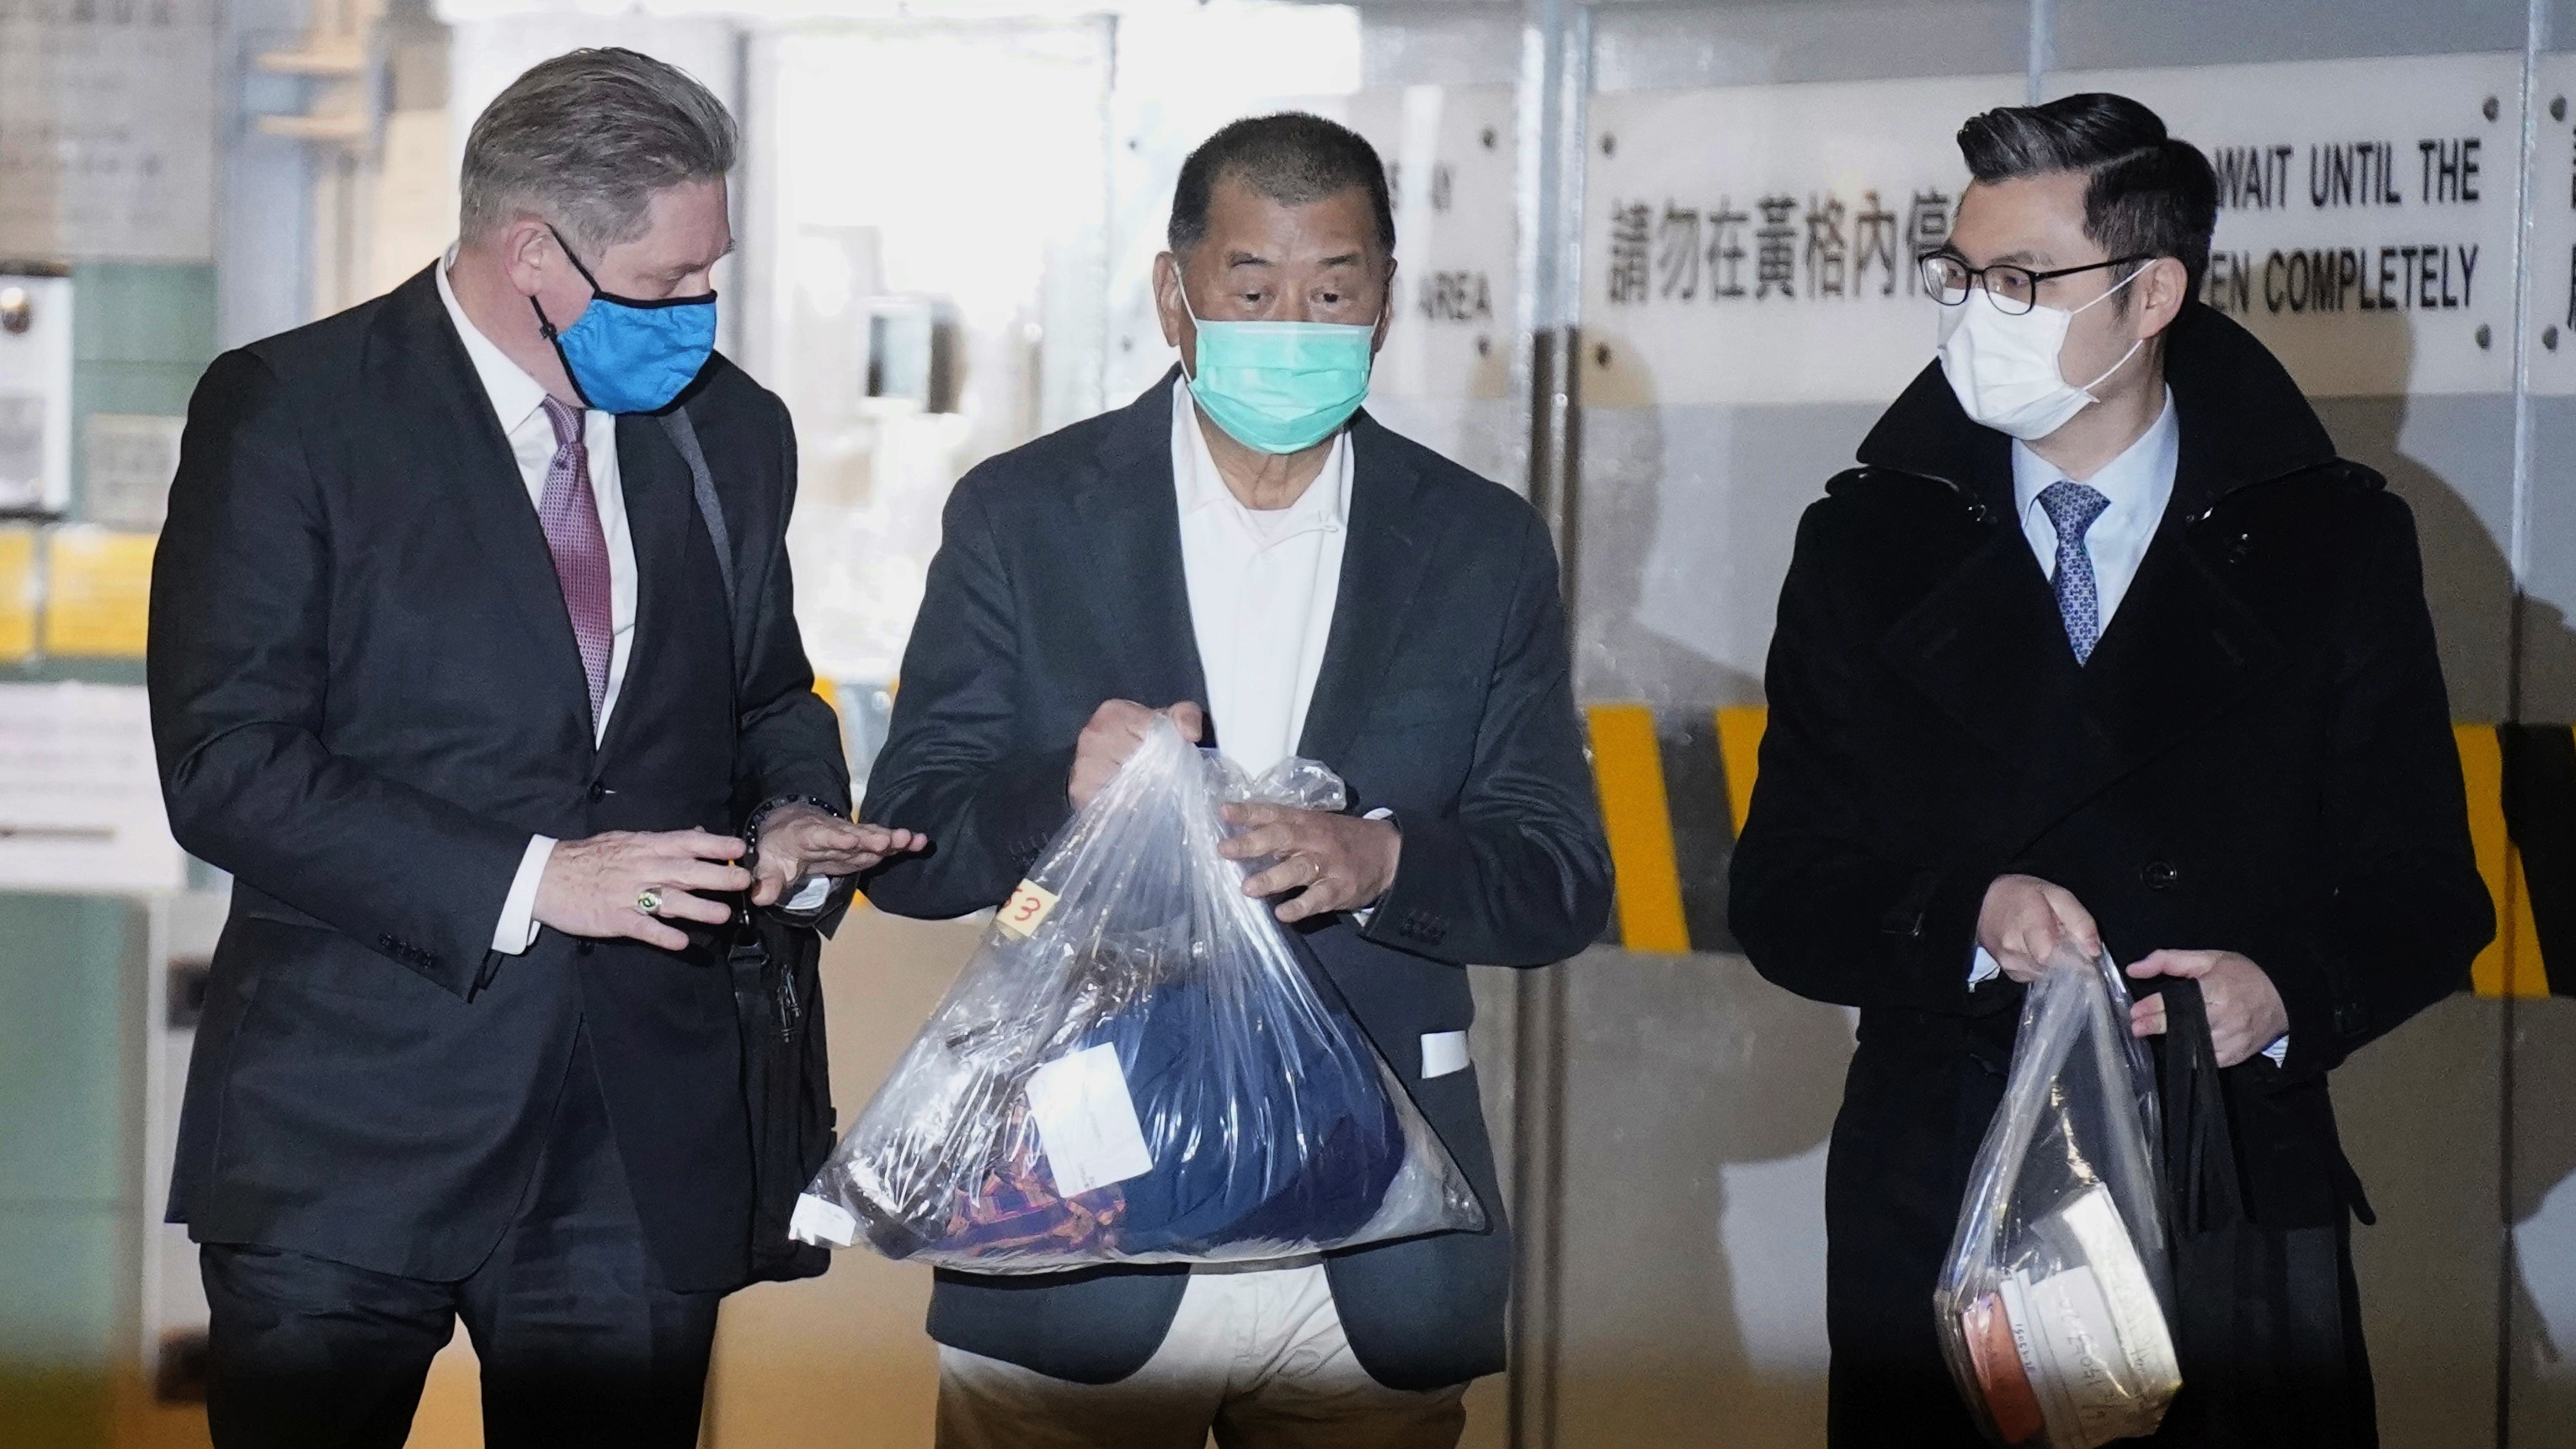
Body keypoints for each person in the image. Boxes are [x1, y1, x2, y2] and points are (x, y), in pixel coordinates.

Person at [147, 48, 920, 1449]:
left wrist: (799, 810)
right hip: (351, 1119)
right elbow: (226, 763)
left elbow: (760, 689)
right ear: (530, 253)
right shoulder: (293, 415)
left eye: (713, 275)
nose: (700, 314)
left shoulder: (727, 430)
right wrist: (535, 877)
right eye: (667, 283)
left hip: (634, 1134)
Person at [1728, 93, 2493, 1448]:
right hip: (1942, 1193)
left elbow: (2429, 889)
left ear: (2153, 296)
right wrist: (1967, 915)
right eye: (1962, 276)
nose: (1977, 312)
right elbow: (1783, 889)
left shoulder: (2332, 546)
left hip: (2227, 1179)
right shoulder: (1865, 546)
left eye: (2022, 281)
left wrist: (2283, 994)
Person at [859, 112, 1611, 1449]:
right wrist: (1058, 790)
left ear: (1387, 297)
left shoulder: (1482, 545)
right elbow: (911, 852)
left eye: (1335, 289)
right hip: (1078, 1239)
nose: (1295, 323)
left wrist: (1386, 863)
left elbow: (1556, 878)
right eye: (1252, 288)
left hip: (1376, 1248)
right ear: (1176, 293)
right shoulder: (1025, 517)